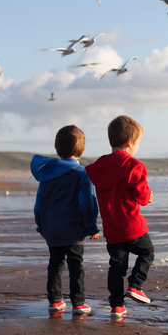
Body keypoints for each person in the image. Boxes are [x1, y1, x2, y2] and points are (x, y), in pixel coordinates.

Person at [85, 115, 154, 319]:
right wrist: (148, 197)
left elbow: (90, 174)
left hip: (112, 229)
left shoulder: (100, 165)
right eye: (139, 143)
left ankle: (117, 306)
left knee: (116, 267)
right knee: (147, 253)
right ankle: (136, 285)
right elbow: (141, 196)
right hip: (132, 226)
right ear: (130, 143)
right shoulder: (134, 165)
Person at [30, 125, 100, 315]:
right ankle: (78, 303)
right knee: (76, 265)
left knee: (55, 264)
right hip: (74, 230)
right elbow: (87, 203)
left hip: (52, 229)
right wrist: (91, 226)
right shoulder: (82, 174)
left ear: (57, 148)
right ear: (82, 150)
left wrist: (41, 226)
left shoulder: (47, 176)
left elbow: (39, 204)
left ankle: (55, 301)